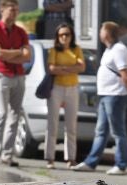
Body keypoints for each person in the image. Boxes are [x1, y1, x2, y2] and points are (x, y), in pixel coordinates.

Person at [70, 21, 127, 175]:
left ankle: (121, 165)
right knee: (101, 131)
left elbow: (125, 74)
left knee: (118, 131)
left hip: (115, 94)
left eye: (101, 30)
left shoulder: (119, 49)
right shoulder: (109, 49)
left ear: (107, 33)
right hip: (105, 94)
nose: (99, 33)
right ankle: (91, 163)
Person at [0, 0, 30, 168]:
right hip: (1, 75)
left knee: (14, 116)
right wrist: (18, 52)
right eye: (11, 9)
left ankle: (7, 156)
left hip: (19, 76)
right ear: (2, 10)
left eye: (16, 10)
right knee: (1, 113)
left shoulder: (21, 32)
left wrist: (11, 54)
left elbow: (27, 56)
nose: (14, 13)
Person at [43, 22, 84, 169]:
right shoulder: (54, 50)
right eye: (61, 35)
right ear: (57, 36)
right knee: (52, 124)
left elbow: (82, 66)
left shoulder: (76, 49)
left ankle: (71, 158)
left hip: (72, 88)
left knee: (71, 125)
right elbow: (52, 68)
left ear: (71, 36)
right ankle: (50, 158)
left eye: (67, 34)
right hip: (57, 88)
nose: (64, 37)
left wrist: (63, 69)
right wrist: (71, 69)